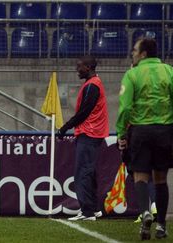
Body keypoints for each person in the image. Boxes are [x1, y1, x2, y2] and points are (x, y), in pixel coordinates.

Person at [116, 38, 173, 240]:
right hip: (164, 132)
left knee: (140, 177)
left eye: (134, 51)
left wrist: (121, 133)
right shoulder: (170, 72)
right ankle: (161, 225)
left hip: (140, 132)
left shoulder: (132, 74)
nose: (132, 54)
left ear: (143, 54)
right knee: (161, 180)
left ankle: (145, 214)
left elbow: (124, 107)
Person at [57, 55, 109, 221]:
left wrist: (65, 127)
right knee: (89, 172)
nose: (76, 69)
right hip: (93, 133)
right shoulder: (93, 83)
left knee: (83, 173)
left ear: (88, 67)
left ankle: (87, 212)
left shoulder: (92, 86)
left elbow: (83, 112)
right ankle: (92, 209)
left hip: (89, 133)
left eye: (79, 66)